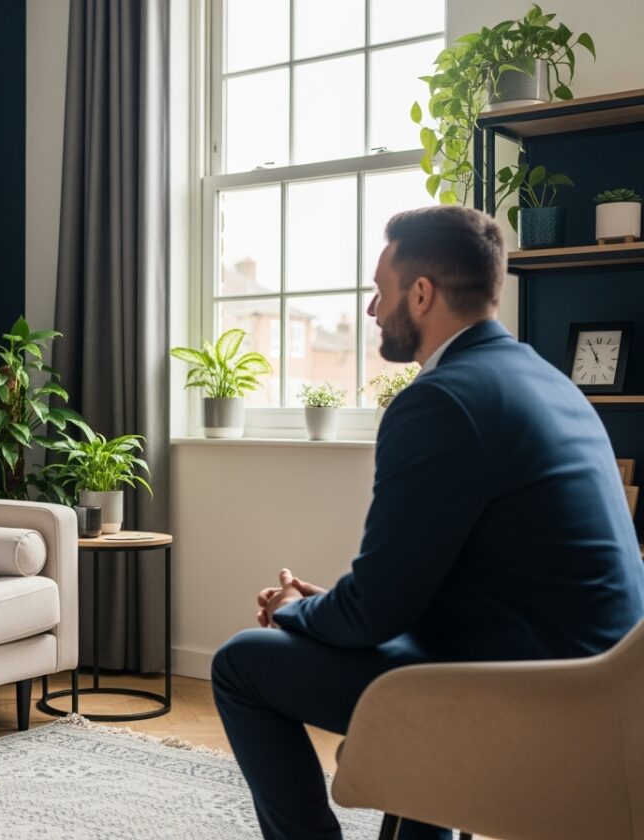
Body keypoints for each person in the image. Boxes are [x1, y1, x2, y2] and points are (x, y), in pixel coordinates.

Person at [211, 206, 644, 840]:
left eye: (379, 291)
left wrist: (294, 612)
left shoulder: (440, 401)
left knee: (241, 663)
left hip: (537, 702)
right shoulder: (549, 382)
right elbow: (415, 590)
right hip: (603, 692)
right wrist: (330, 606)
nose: (370, 310)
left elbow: (374, 615)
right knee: (403, 647)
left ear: (421, 294)